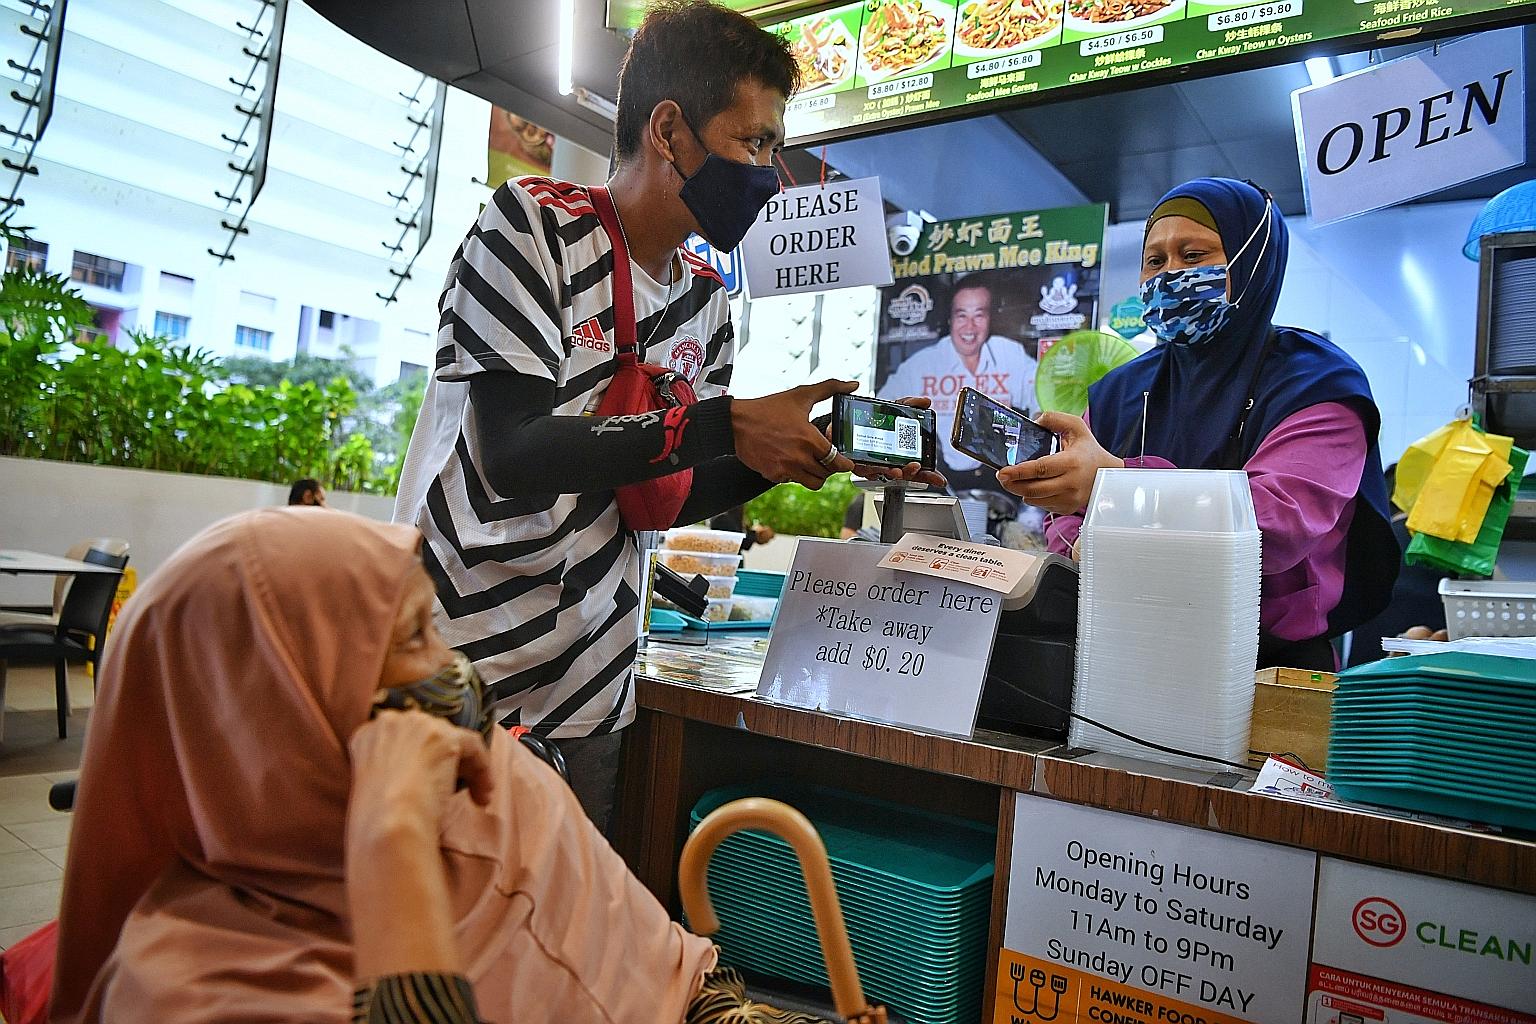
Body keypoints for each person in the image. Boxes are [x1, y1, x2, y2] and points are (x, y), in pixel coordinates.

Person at [392, 0, 937, 831]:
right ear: (670, 131)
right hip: (456, 670)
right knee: (433, 937)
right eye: (752, 142)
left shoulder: (706, 304)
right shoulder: (529, 227)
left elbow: (665, 493)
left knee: (565, 947)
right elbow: (510, 452)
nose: (769, 172)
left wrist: (788, 451)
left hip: (592, 690)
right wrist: (731, 424)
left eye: (776, 149)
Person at [51, 508, 832, 1024]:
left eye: (435, 628)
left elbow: (663, 968)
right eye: (408, 646)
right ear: (272, 723)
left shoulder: (484, 775)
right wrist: (391, 849)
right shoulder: (199, 991)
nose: (454, 672)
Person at [999, 178, 1398, 671]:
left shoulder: (1316, 382)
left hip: (1268, 663)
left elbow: (1274, 527)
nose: (1170, 276)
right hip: (1128, 644)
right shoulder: (1119, 391)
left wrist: (1116, 486)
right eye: (1155, 261)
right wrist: (1078, 533)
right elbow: (1069, 513)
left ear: (1253, 262)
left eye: (1194, 256)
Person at [878, 277, 1037, 491]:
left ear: (990, 319)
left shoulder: (1010, 354)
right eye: (961, 315)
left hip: (999, 483)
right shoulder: (922, 364)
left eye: (979, 315)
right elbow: (881, 409)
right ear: (950, 319)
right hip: (937, 482)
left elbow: (1043, 398)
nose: (969, 326)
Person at [708, 505, 773, 551]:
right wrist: (756, 535)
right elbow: (737, 541)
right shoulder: (722, 518)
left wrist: (756, 534)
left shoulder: (734, 515)